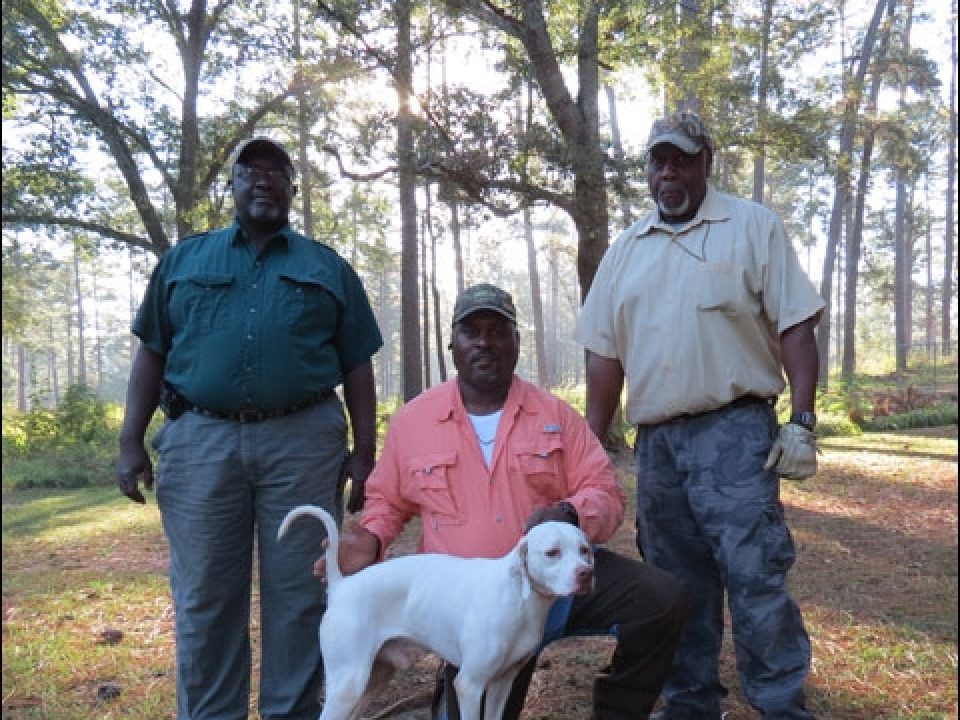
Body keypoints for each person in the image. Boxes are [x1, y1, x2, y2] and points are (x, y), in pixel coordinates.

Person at [317, 282, 688, 720]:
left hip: (555, 581)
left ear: (516, 342)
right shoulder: (414, 421)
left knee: (660, 597)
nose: (484, 342)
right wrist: (370, 540)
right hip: (468, 608)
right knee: (477, 701)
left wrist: (571, 513)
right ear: (452, 345)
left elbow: (605, 492)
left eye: (497, 331)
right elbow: (387, 501)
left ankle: (617, 714)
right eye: (471, 331)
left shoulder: (555, 416)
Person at [115, 137, 383, 720]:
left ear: (292, 189)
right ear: (233, 185)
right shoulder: (185, 262)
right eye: (250, 171)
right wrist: (130, 439)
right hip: (200, 441)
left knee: (302, 594)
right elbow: (152, 351)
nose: (263, 179)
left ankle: (292, 712)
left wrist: (365, 453)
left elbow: (358, 365)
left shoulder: (328, 268)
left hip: (303, 444)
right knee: (205, 596)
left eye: (276, 171)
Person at [575, 110, 824, 720]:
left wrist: (802, 419)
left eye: (682, 160)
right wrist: (591, 445)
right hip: (657, 445)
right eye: (659, 161)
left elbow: (796, 325)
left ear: (706, 162)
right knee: (674, 583)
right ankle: (690, 703)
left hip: (735, 433)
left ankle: (780, 704)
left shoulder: (752, 227)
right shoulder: (625, 252)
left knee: (755, 574)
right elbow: (604, 358)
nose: (669, 173)